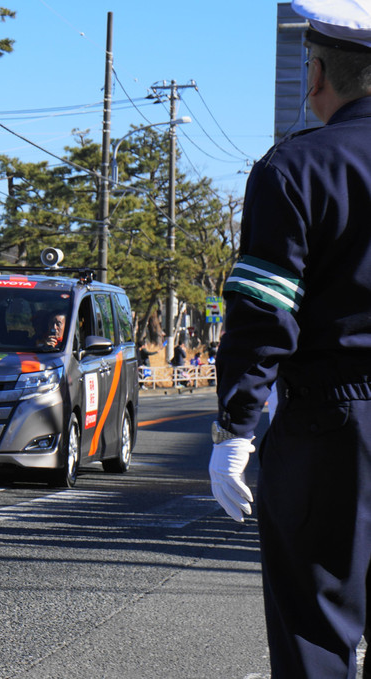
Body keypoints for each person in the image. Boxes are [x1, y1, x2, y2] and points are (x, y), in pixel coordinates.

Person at [209, 3, 371, 676]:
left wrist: (236, 429)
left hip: (327, 423)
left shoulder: (294, 168)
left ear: (315, 73)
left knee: (315, 630)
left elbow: (263, 313)